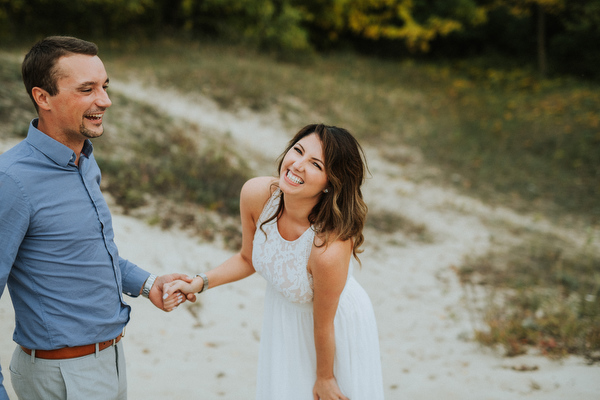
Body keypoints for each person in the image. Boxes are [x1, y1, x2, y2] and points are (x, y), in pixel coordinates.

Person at [0, 36, 194, 400]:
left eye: (104, 87)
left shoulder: (85, 162)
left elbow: (89, 252)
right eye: (86, 89)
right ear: (43, 98)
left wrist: (149, 284)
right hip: (61, 376)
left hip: (112, 361)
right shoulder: (11, 182)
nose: (104, 100)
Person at [164, 124, 385, 400]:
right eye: (298, 150)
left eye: (315, 164)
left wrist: (325, 377)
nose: (298, 165)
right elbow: (247, 258)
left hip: (332, 328)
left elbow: (323, 323)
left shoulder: (328, 247)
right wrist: (199, 282)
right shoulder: (257, 195)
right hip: (283, 320)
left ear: (331, 182)